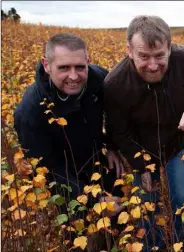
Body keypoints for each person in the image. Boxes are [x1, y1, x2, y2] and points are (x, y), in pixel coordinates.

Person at [103, 15, 184, 245]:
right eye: (143, 56)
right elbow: (119, 132)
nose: (153, 65)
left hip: (179, 145)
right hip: (141, 150)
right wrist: (141, 165)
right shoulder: (115, 83)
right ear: (129, 51)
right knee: (147, 207)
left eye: (160, 56)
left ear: (170, 48)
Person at [14, 33, 123, 199]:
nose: (73, 76)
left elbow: (115, 114)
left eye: (80, 67)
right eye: (64, 68)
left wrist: (111, 146)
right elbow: (46, 171)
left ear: (88, 61)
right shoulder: (30, 111)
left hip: (97, 164)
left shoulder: (100, 79)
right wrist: (95, 201)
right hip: (63, 185)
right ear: (46, 65)